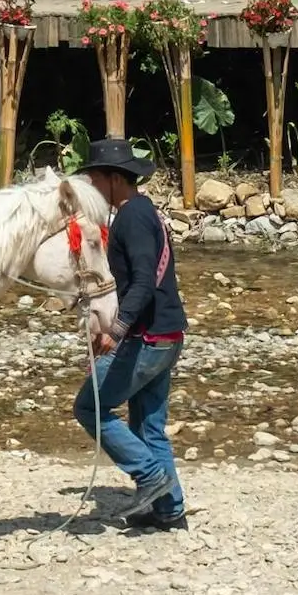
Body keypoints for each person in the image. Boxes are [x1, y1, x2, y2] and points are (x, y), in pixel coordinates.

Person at [73, 137, 188, 530]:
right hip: (166, 334)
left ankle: (150, 477)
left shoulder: (132, 218)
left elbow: (142, 283)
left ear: (112, 179)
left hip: (149, 338)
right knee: (148, 426)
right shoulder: (142, 211)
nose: (91, 188)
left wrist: (115, 332)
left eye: (93, 180)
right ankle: (169, 510)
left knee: (90, 407)